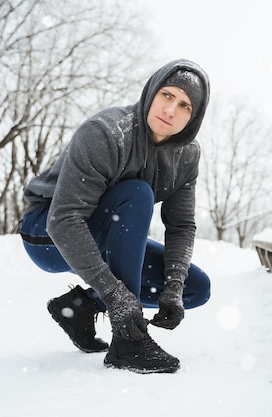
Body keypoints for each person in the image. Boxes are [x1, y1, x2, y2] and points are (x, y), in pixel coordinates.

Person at [19, 59, 211, 374]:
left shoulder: (186, 155)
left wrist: (173, 287)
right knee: (137, 194)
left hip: (106, 230)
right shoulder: (107, 133)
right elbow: (64, 219)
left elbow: (181, 226)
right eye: (166, 95)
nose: (171, 110)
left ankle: (79, 308)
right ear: (151, 92)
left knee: (195, 288)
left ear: (194, 117)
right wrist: (116, 296)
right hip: (47, 234)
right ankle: (128, 341)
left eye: (185, 105)